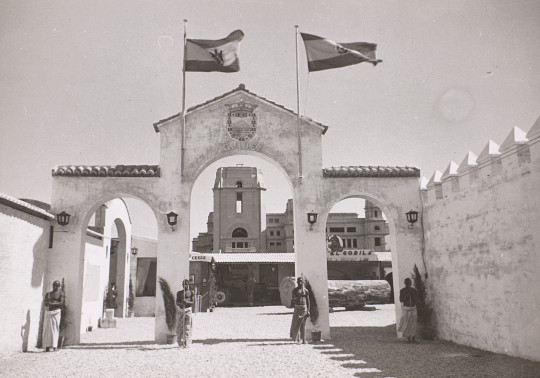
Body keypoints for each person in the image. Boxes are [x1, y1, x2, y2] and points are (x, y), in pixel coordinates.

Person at [42, 280, 64, 352]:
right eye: (53, 285)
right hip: (49, 312)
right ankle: (47, 346)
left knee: (55, 329)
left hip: (56, 312)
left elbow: (61, 303)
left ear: (58, 286)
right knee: (47, 330)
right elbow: (45, 303)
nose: (54, 287)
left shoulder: (60, 293)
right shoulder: (49, 294)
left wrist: (52, 304)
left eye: (56, 285)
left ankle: (54, 346)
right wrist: (47, 302)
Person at [289, 277, 310, 344]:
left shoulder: (306, 291)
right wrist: (298, 297)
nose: (300, 283)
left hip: (304, 308)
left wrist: (308, 310)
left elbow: (308, 301)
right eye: (299, 282)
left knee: (303, 324)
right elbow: (292, 300)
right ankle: (297, 339)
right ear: (297, 283)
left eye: (302, 282)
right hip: (297, 307)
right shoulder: (295, 290)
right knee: (297, 324)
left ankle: (303, 339)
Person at [398, 278, 418, 343]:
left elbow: (416, 300)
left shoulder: (414, 290)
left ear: (411, 283)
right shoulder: (402, 291)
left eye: (409, 283)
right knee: (407, 323)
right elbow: (401, 300)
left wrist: (412, 295)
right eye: (407, 283)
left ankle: (413, 337)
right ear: (405, 283)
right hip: (406, 308)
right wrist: (407, 296)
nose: (408, 284)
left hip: (413, 308)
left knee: (413, 324)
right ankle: (408, 338)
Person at [176, 279, 194, 348]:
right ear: (182, 285)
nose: (185, 286)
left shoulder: (191, 292)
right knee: (180, 327)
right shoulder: (179, 293)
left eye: (187, 284)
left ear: (189, 285)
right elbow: (177, 303)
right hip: (181, 310)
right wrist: (181, 303)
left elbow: (192, 302)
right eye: (184, 284)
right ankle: (180, 342)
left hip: (188, 310)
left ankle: (187, 342)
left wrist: (186, 302)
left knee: (188, 326)